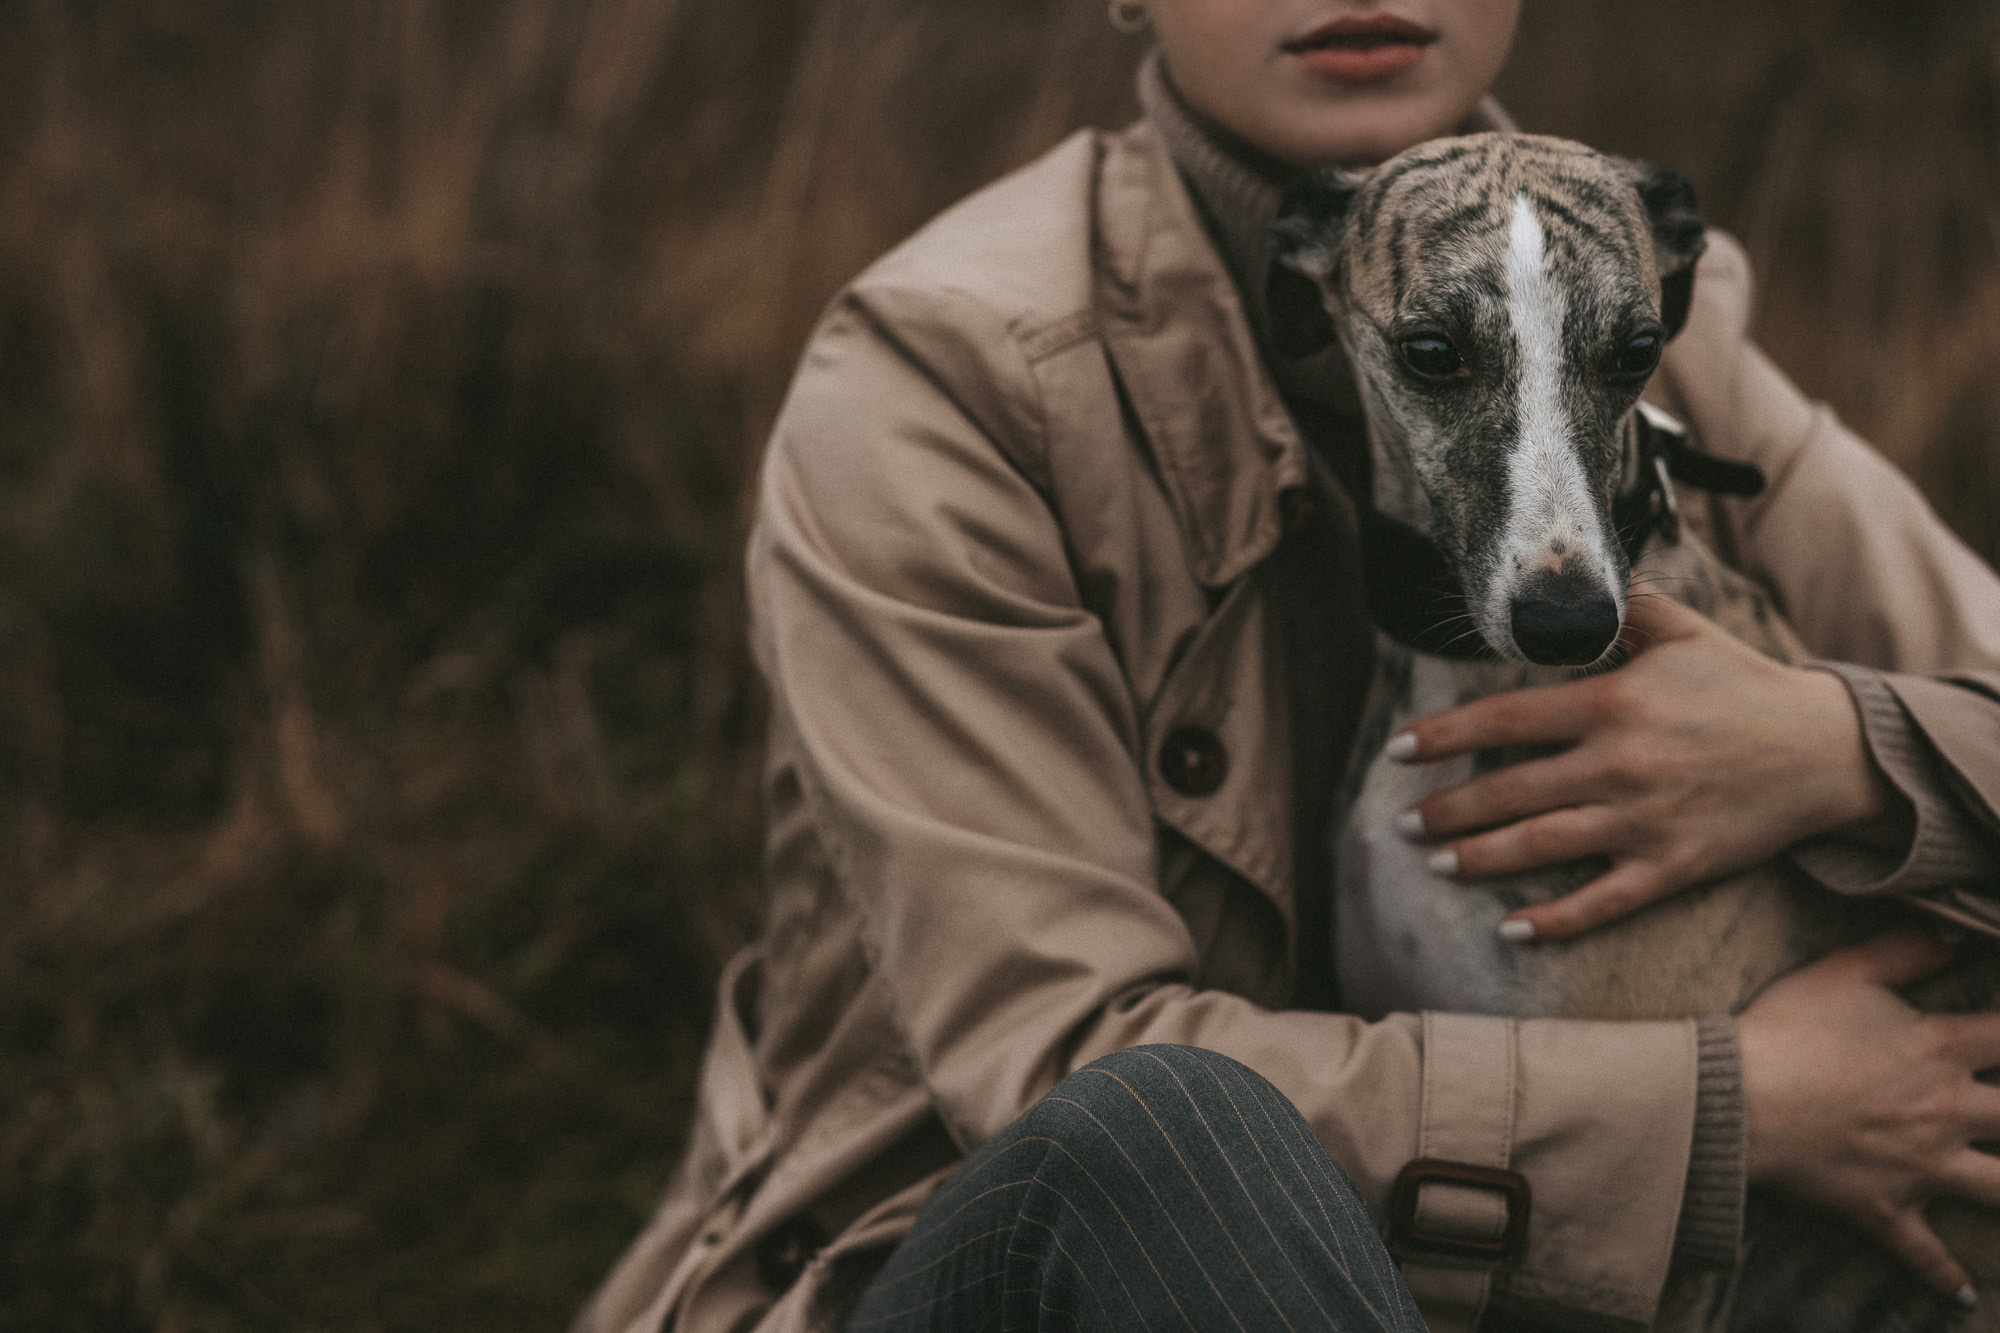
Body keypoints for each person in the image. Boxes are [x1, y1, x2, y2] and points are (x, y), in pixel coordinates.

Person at [575, 3, 2000, 1330]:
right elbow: (1058, 1071)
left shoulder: (1626, 272)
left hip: (1468, 1289)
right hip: (1011, 1263)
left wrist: (1834, 747)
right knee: (1169, 1133)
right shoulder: (948, 377)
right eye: (1436, 352)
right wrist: (1724, 1109)